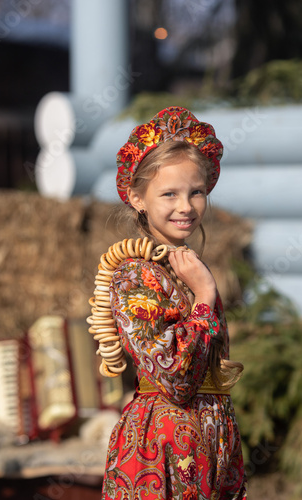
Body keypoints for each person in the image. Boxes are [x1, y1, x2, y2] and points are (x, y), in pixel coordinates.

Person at [101, 107, 247, 499]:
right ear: (137, 198)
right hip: (163, 448)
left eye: (195, 192)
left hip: (213, 440)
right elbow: (174, 377)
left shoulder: (185, 268)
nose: (186, 206)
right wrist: (203, 297)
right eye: (170, 194)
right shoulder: (135, 275)